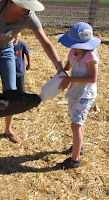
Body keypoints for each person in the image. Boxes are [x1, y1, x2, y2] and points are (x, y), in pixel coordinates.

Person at [0, 0, 63, 143]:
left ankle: (8, 129)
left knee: (12, 91)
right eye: (24, 5)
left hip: (6, 50)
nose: (27, 9)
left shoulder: (29, 16)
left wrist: (58, 66)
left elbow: (46, 42)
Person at [58, 22, 101, 169]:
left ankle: (75, 160)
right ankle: (79, 147)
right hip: (75, 91)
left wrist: (69, 79)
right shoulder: (72, 52)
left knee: (76, 125)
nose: (73, 47)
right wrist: (61, 73)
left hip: (86, 94)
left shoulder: (91, 56)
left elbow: (92, 78)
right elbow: (68, 67)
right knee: (76, 122)